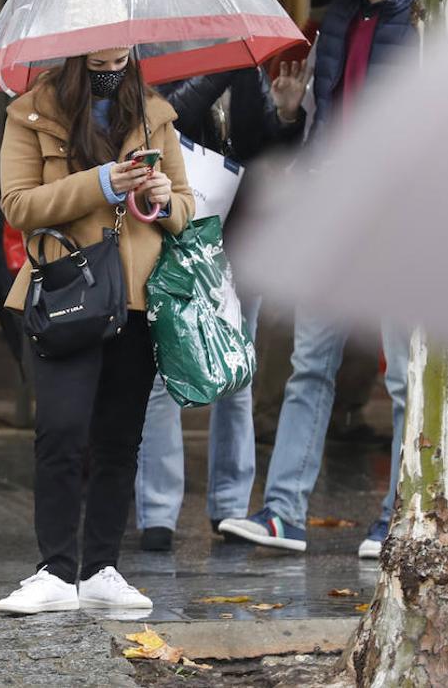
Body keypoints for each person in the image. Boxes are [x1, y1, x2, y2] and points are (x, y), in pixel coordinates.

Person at [219, 0, 420, 560]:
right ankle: (282, 512)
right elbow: (321, 119)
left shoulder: (424, 20)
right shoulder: (337, 21)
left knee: (401, 380)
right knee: (310, 364)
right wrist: (287, 119)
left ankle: (396, 517)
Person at [0, 48, 193, 615]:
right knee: (60, 430)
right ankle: (54, 570)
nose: (114, 51)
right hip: (66, 291)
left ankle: (102, 566)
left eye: (124, 40)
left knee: (119, 438)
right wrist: (102, 182)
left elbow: (184, 204)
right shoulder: (31, 112)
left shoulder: (155, 112)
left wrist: (159, 198)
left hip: (137, 294)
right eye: (103, 39)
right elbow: (18, 204)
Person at [134, 62, 308, 551]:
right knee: (164, 378)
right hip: (173, 237)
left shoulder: (245, 65)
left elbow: (261, 149)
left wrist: (287, 115)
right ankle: (157, 512)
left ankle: (231, 504)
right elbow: (163, 122)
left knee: (236, 375)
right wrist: (216, 69)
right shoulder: (157, 57)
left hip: (237, 240)